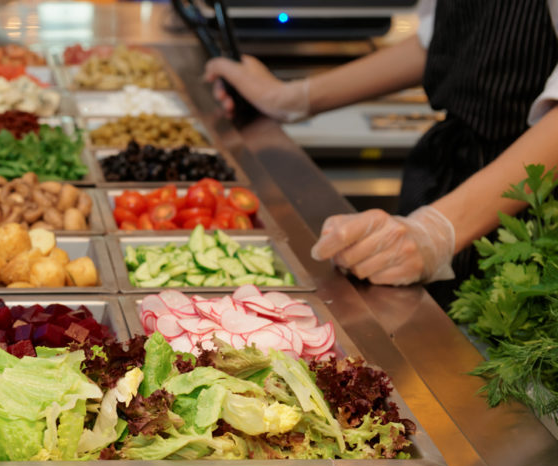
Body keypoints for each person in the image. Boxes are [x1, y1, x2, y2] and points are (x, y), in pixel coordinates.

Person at [204, 0, 558, 304]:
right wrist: (292, 99)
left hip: (533, 207)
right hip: (451, 167)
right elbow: (438, 40)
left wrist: (437, 230)